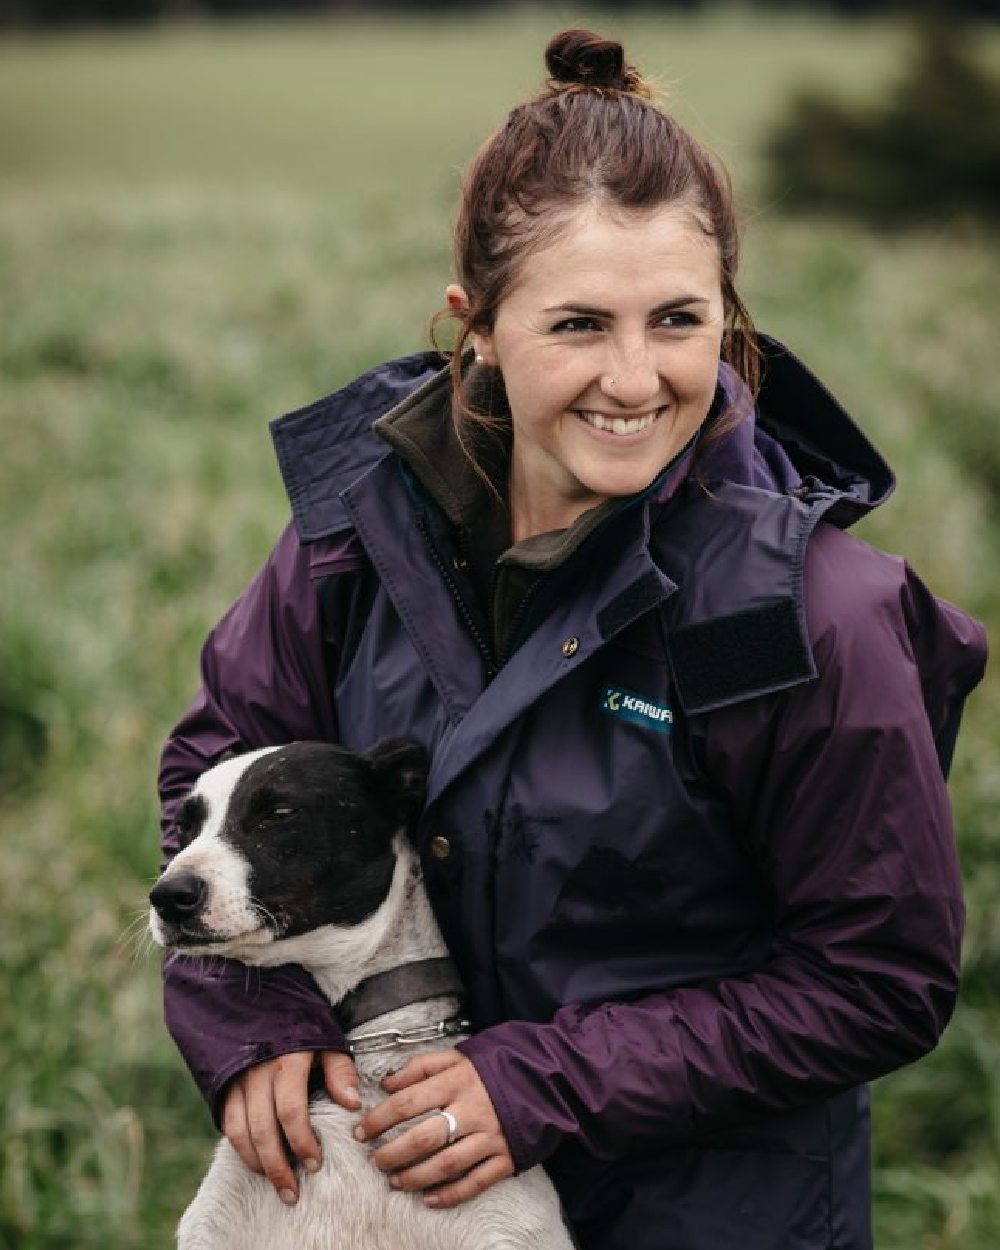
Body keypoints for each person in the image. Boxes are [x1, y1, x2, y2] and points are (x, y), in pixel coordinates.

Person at [157, 28, 987, 1250]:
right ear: (478, 324)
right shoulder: (355, 529)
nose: (637, 378)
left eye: (678, 319)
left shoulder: (813, 613)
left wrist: (544, 1078)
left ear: (730, 316)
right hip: (376, 1204)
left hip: (710, 1216)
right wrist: (247, 1020)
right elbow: (215, 776)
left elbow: (877, 975)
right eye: (580, 324)